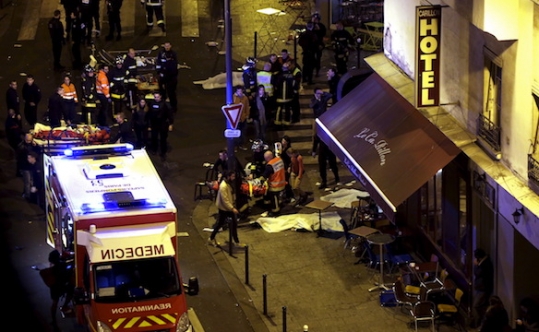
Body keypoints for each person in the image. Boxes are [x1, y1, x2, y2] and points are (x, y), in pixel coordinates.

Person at [208, 170, 240, 247]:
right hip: (224, 208)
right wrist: (232, 208)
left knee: (229, 224)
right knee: (222, 224)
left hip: (227, 207)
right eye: (232, 176)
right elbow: (225, 200)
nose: (233, 178)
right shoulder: (223, 186)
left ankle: (236, 241)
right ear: (228, 176)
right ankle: (211, 238)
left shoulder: (228, 184)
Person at [43, 249, 74, 328]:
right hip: (63, 285)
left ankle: (54, 320)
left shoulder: (52, 267)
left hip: (55, 287)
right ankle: (65, 305)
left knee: (54, 303)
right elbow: (69, 270)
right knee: (71, 292)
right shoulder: (62, 265)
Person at [148, 92, 174, 161]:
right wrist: (149, 124)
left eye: (157, 97)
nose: (156, 98)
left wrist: (171, 124)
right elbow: (149, 114)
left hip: (163, 123)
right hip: (154, 123)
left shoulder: (165, 104)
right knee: (154, 137)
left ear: (161, 97)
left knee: (163, 139)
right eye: (155, 97)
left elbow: (170, 114)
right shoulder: (151, 103)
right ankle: (154, 149)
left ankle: (163, 152)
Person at [259, 150, 286, 216]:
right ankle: (279, 204)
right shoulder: (279, 159)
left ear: (268, 158)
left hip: (275, 185)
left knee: (274, 197)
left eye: (266, 158)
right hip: (282, 181)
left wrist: (259, 180)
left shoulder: (270, 165)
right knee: (278, 196)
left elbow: (265, 175)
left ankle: (275, 210)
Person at [472, 248, 494, 328]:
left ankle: (480, 323)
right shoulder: (484, 263)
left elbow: (478, 273)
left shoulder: (485, 264)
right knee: (479, 305)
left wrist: (476, 266)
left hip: (483, 289)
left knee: (476, 306)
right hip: (480, 289)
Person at [155, 42, 179, 112]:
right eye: (166, 46)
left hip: (171, 77)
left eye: (168, 46)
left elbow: (174, 66)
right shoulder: (161, 53)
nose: (167, 47)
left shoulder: (173, 54)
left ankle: (173, 107)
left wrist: (173, 75)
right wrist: (159, 72)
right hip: (163, 76)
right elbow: (158, 63)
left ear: (170, 46)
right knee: (162, 91)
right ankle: (162, 105)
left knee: (171, 92)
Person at [232, 86, 250, 151]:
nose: (240, 93)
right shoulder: (233, 98)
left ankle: (241, 144)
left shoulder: (245, 98)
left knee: (243, 133)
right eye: (239, 91)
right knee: (236, 133)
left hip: (243, 118)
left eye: (241, 91)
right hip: (236, 119)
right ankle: (235, 146)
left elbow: (247, 107)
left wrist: (247, 115)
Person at [311, 13, 327, 77]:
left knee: (318, 58)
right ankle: (312, 69)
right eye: (314, 19)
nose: (315, 20)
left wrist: (319, 30)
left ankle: (317, 71)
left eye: (316, 19)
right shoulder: (311, 25)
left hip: (319, 45)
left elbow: (323, 34)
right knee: (312, 58)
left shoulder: (321, 26)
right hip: (311, 45)